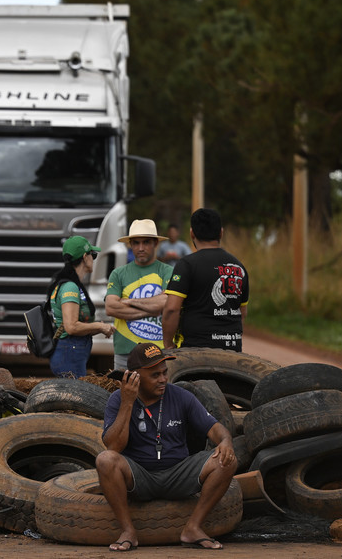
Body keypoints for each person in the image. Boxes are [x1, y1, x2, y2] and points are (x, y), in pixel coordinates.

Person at [96, 342, 237, 551]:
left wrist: (226, 442)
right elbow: (114, 446)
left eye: (164, 373)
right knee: (105, 460)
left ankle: (193, 528)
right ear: (134, 376)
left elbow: (217, 429)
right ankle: (128, 531)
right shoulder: (118, 399)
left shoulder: (181, 396)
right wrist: (128, 402)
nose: (163, 379)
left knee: (226, 461)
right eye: (155, 375)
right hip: (140, 476)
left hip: (178, 473)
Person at [161, 208, 249, 352]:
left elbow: (172, 309)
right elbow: (242, 313)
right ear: (221, 232)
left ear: (192, 233)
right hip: (232, 350)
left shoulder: (187, 264)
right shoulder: (239, 267)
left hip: (196, 350)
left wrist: (168, 344)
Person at [105, 220, 173, 371]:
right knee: (123, 393)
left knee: (160, 394)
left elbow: (167, 302)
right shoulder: (118, 273)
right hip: (125, 352)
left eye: (146, 242)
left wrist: (128, 301)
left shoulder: (167, 271)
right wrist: (153, 308)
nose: (140, 248)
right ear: (130, 244)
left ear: (155, 243)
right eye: (136, 243)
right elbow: (110, 307)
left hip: (159, 350)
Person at [46, 235, 115, 377]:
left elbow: (73, 327)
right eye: (93, 255)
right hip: (69, 354)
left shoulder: (71, 284)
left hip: (70, 353)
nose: (93, 259)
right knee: (73, 397)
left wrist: (99, 329)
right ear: (85, 257)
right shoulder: (70, 287)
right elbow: (71, 327)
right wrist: (99, 326)